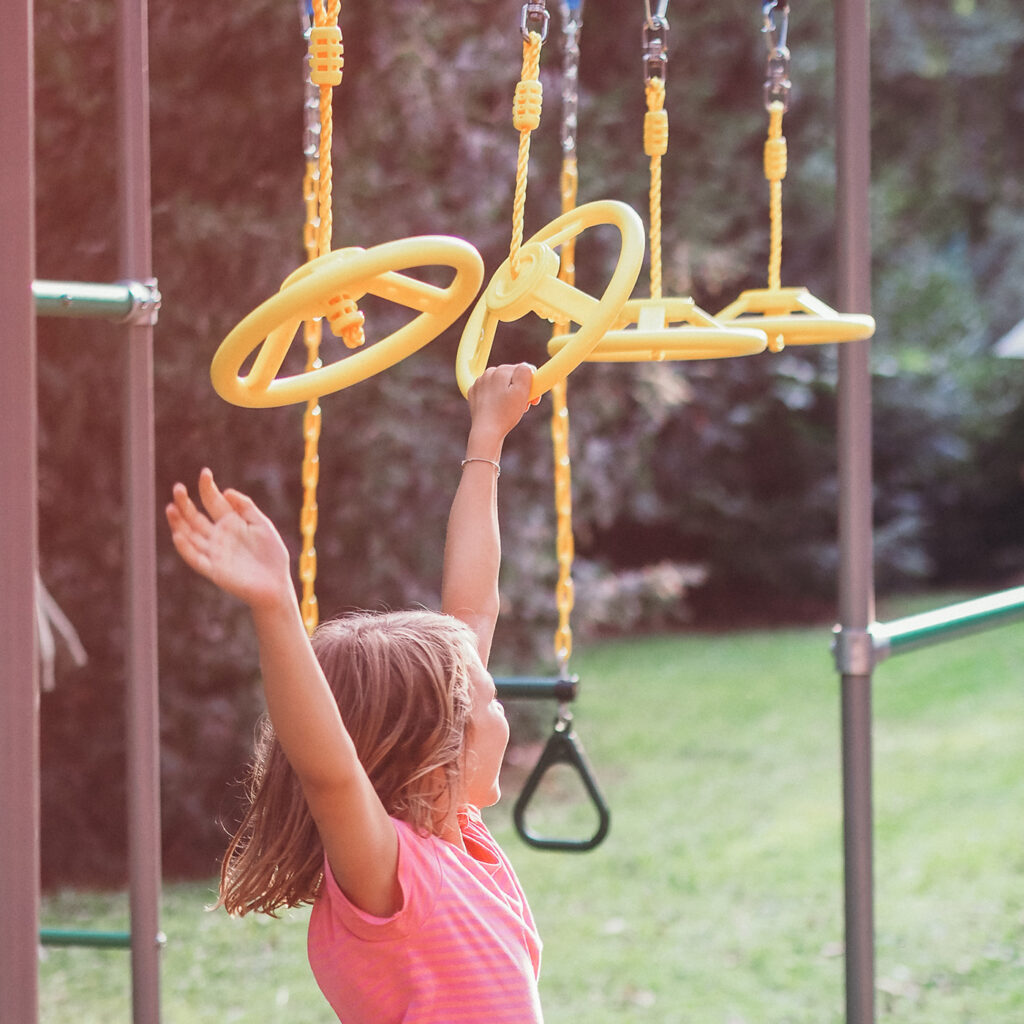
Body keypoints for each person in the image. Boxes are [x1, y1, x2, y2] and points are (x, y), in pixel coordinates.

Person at [165, 363, 543, 1024]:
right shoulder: (393, 872)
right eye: (491, 704)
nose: (501, 711)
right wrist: (275, 606)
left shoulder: (454, 826)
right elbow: (330, 771)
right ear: (437, 750)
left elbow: (474, 607)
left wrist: (486, 439)